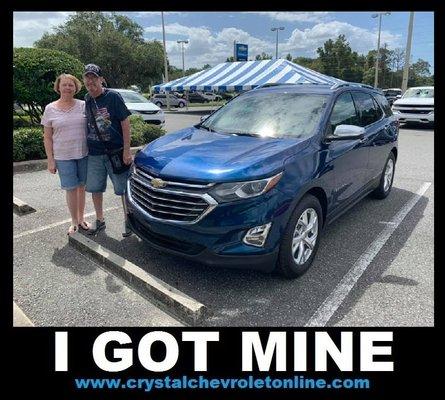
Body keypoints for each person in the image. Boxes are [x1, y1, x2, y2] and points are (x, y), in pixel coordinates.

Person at [82, 64, 133, 237]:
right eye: (87, 78)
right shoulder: (87, 98)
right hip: (94, 153)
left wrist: (127, 150)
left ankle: (129, 221)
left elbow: (125, 124)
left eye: (94, 77)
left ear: (101, 79)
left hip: (116, 152)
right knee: (95, 188)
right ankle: (100, 219)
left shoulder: (113, 97)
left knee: (122, 189)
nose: (91, 81)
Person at [41, 74, 90, 235]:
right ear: (58, 87)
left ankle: (82, 218)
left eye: (71, 85)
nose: (68, 88)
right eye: (65, 85)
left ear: (76, 88)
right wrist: (50, 160)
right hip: (62, 156)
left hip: (83, 153)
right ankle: (74, 221)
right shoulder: (50, 108)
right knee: (71, 188)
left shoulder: (84, 105)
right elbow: (47, 137)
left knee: (82, 187)